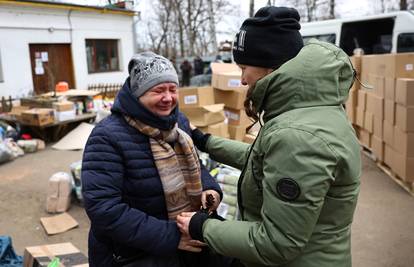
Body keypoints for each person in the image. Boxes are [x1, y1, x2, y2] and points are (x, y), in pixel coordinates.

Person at [177, 6, 361, 267]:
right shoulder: (310, 110)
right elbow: (265, 161)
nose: (241, 80)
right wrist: (206, 142)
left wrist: (203, 227)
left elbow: (277, 242)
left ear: (269, 64)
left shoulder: (297, 136)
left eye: (243, 68)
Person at [81, 52, 225, 267]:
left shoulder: (178, 122)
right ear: (137, 95)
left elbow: (196, 164)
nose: (168, 98)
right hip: (133, 254)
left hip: (186, 241)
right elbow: (104, 208)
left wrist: (210, 188)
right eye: (158, 90)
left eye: (172, 89)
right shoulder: (107, 137)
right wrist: (173, 237)